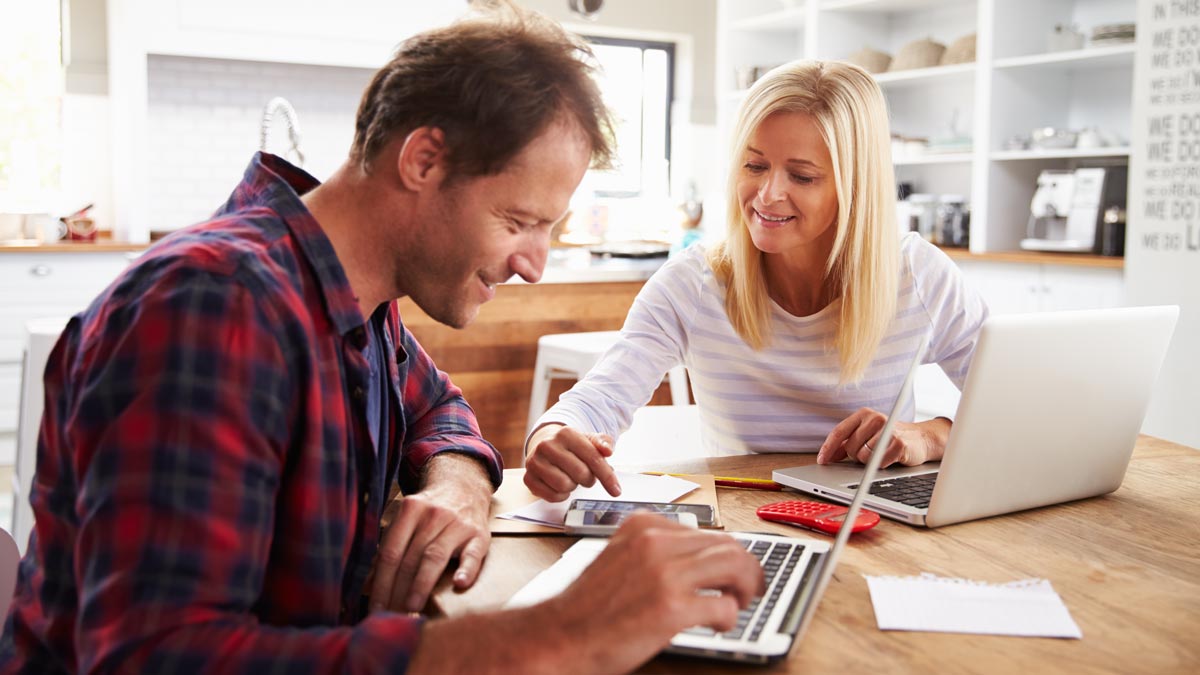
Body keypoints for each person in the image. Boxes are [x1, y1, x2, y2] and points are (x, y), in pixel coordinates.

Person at [0, 5, 764, 674]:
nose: (533, 264)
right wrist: (552, 636)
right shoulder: (217, 305)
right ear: (423, 160)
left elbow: (444, 411)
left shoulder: (359, 302)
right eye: (518, 221)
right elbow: (158, 655)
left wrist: (457, 484)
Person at [524, 60, 988, 503]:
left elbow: (1017, 411)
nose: (767, 195)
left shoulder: (919, 276)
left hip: (874, 520)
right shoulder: (694, 284)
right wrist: (551, 436)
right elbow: (598, 398)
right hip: (740, 518)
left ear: (856, 187)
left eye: (802, 176)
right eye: (755, 166)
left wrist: (930, 435)